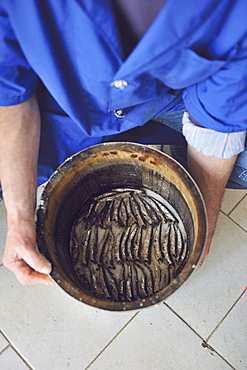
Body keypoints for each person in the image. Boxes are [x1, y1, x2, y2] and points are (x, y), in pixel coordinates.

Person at [0, 0, 246, 285]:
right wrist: (19, 221)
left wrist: (201, 220)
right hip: (56, 106)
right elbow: (9, 93)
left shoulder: (237, 12)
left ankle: (148, 145)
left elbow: (218, 122)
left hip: (162, 100)